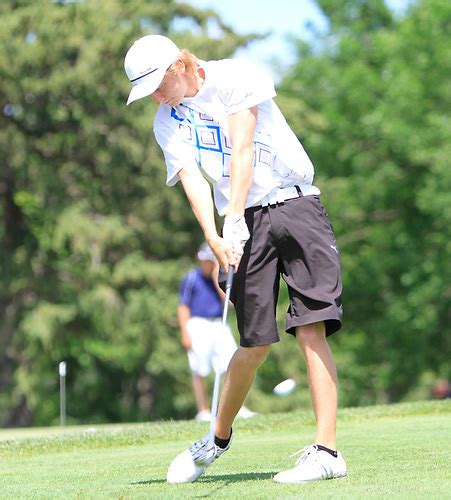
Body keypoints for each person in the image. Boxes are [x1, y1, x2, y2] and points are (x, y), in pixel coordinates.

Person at [124, 35, 347, 484]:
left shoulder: (235, 76)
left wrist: (232, 219)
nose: (155, 96)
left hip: (296, 204)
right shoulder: (165, 121)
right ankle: (216, 438)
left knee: (311, 325)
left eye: (157, 84)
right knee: (253, 341)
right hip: (242, 220)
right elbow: (192, 178)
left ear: (179, 65)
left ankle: (327, 453)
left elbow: (243, 148)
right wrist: (215, 234)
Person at [178, 242, 256, 421]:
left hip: (219, 324)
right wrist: (185, 333)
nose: (206, 264)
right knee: (200, 368)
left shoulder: (221, 278)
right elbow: (183, 307)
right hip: (197, 325)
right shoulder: (191, 278)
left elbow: (229, 303)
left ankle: (237, 407)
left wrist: (216, 278)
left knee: (230, 362)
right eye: (204, 261)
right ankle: (203, 410)